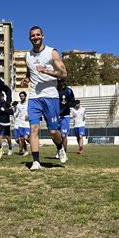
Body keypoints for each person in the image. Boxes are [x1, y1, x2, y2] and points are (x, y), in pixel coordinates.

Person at [21, 26, 68, 171]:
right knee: (33, 128)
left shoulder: (52, 52)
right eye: (33, 35)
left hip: (50, 96)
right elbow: (30, 73)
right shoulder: (27, 56)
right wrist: (26, 80)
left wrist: (47, 71)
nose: (35, 37)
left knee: (53, 131)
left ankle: (60, 147)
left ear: (43, 36)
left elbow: (64, 74)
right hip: (34, 97)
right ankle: (36, 161)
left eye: (38, 35)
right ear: (30, 38)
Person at [57, 79, 76, 156]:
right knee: (56, 136)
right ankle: (59, 150)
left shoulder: (68, 91)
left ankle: (64, 153)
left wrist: (67, 104)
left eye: (59, 82)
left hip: (65, 116)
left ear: (63, 82)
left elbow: (73, 102)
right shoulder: (54, 91)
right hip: (55, 116)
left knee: (63, 135)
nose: (58, 83)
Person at [14, 91, 31, 156]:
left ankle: (33, 144)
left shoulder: (28, 104)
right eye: (20, 96)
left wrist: (29, 115)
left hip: (27, 124)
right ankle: (26, 151)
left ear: (25, 96)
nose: (21, 97)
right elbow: (16, 113)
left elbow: (31, 111)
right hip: (21, 124)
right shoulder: (18, 105)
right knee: (21, 138)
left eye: (22, 96)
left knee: (26, 137)